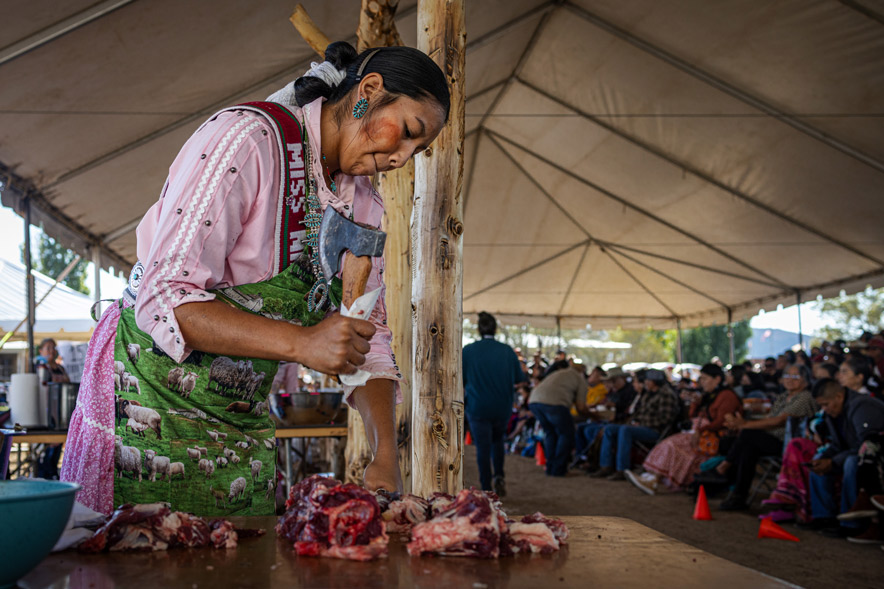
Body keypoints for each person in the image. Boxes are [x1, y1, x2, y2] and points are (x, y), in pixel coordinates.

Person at [60, 42, 450, 516]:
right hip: (144, 401)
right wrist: (303, 342)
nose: (402, 157)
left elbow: (369, 336)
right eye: (406, 131)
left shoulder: (364, 204)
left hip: (238, 424)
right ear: (368, 92)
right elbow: (164, 294)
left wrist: (384, 456)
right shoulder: (247, 140)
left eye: (418, 149)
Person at [699, 363, 818, 510]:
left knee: (748, 434)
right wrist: (741, 424)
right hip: (771, 439)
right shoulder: (784, 397)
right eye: (787, 375)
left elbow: (779, 421)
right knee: (747, 447)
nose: (790, 379)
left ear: (805, 380)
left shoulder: (804, 397)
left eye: (795, 376)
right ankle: (738, 496)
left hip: (789, 445)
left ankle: (723, 469)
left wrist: (744, 424)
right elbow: (770, 417)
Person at [629, 363, 741, 494]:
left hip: (714, 438)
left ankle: (654, 479)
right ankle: (652, 478)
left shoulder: (726, 396)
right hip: (702, 434)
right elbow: (692, 416)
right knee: (670, 444)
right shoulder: (710, 396)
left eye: (705, 379)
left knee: (672, 445)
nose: (702, 382)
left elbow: (721, 422)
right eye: (701, 379)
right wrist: (696, 403)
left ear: (717, 379)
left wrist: (700, 430)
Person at [804, 379, 884, 538]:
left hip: (873, 456)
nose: (824, 410)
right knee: (818, 460)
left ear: (839, 397)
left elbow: (867, 445)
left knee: (850, 463)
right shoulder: (834, 413)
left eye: (826, 404)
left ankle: (852, 524)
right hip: (854, 452)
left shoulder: (862, 406)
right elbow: (838, 444)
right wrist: (826, 458)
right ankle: (824, 517)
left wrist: (834, 461)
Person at [462, 312, 526, 496]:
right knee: (498, 442)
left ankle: (487, 486)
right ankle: (499, 476)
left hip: (478, 406)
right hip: (502, 406)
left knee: (483, 447)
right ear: (495, 329)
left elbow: (462, 378)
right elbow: (519, 378)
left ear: (478, 329)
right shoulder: (507, 351)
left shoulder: (468, 351)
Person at [592, 369, 680, 481]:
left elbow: (665, 420)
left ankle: (622, 469)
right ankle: (606, 466)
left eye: (648, 380)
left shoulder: (666, 395)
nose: (645, 383)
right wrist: (633, 422)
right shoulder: (648, 394)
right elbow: (637, 414)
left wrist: (640, 423)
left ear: (654, 381)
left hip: (655, 431)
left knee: (625, 430)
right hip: (641, 427)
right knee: (609, 429)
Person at [528, 362, 589, 476]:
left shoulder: (558, 373)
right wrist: (591, 415)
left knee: (551, 433)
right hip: (555, 404)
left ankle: (550, 467)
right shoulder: (580, 379)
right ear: (583, 371)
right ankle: (559, 469)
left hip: (535, 401)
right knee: (566, 434)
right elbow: (581, 407)